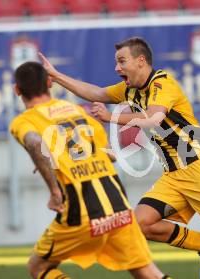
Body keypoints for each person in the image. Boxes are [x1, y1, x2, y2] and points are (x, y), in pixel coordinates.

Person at [39, 37, 200, 279]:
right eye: (116, 62)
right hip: (173, 175)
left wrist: (110, 118)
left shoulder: (163, 84)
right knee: (138, 225)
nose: (117, 68)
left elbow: (153, 119)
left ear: (141, 61)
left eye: (122, 61)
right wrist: (56, 76)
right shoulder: (130, 90)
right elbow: (97, 93)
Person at [10, 61, 170, 279]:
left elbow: (35, 143)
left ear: (17, 90)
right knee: (147, 272)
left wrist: (55, 192)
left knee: (38, 266)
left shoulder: (24, 121)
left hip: (81, 212)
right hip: (119, 207)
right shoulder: (77, 111)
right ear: (49, 83)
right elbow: (108, 155)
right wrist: (56, 158)